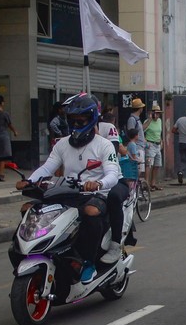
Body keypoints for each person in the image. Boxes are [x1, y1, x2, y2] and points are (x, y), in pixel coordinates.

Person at [16, 94, 120, 283]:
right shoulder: (62, 144)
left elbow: (113, 173)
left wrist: (98, 183)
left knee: (91, 211)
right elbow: (48, 167)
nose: (77, 124)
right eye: (73, 120)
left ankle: (89, 261)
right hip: (66, 192)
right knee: (28, 209)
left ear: (92, 119)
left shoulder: (104, 145)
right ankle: (36, 249)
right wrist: (30, 181)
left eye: (82, 120)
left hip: (94, 194)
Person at [96, 105, 130, 265]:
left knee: (114, 197)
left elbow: (113, 151)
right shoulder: (70, 139)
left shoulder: (108, 129)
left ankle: (115, 243)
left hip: (111, 178)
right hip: (84, 183)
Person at [0, 95, 18, 182]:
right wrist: (15, 131)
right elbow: (9, 124)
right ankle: (1, 174)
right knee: (3, 156)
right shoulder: (5, 114)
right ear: (2, 103)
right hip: (3, 136)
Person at [125, 98, 148, 185]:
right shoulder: (132, 119)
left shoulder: (137, 119)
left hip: (141, 146)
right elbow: (131, 132)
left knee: (141, 170)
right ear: (140, 108)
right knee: (138, 170)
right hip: (137, 147)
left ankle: (138, 188)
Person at [143, 102, 164, 190]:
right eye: (156, 113)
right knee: (149, 164)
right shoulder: (147, 121)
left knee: (157, 165)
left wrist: (161, 141)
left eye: (159, 113)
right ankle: (146, 183)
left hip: (157, 144)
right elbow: (142, 129)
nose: (158, 115)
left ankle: (153, 182)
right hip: (150, 144)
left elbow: (159, 132)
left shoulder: (159, 121)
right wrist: (150, 119)